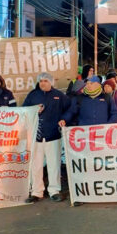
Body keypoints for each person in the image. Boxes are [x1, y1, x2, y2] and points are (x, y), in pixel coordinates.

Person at [23, 73, 71, 203]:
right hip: (36, 136)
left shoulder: (59, 95)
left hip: (53, 135)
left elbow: (71, 108)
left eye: (45, 81)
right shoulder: (33, 95)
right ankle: (37, 192)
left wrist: (64, 119)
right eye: (40, 81)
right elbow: (24, 110)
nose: (42, 83)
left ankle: (54, 191)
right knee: (36, 165)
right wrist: (33, 110)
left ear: (51, 82)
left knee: (54, 164)